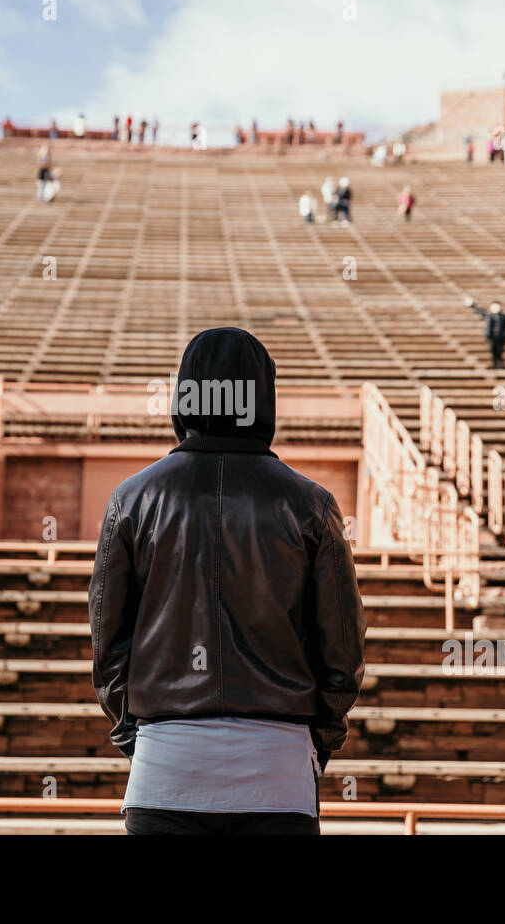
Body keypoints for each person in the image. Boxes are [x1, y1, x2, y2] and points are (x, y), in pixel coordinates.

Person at [89, 327, 366, 836]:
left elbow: (109, 646)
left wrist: (138, 733)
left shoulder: (131, 499)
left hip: (165, 765)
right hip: (278, 768)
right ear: (263, 395)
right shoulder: (311, 504)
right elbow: (342, 652)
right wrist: (313, 742)